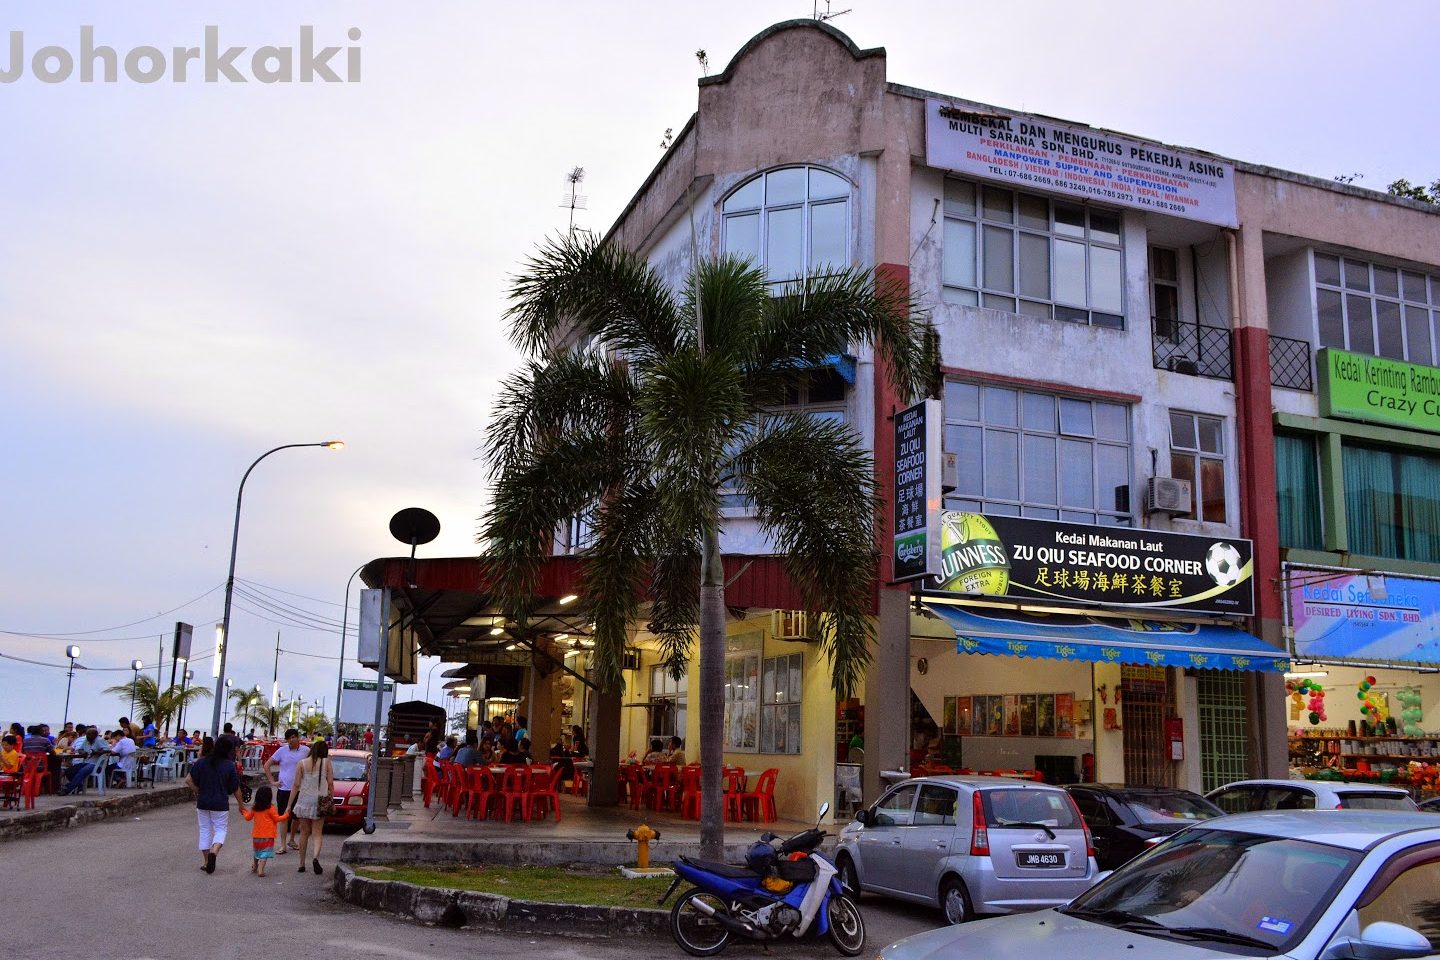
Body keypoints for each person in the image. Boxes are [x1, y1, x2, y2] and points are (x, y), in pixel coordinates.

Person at [185, 735, 244, 874]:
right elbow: (236, 788)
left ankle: (206, 862)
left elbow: (188, 780)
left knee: (205, 830)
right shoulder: (230, 765)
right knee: (220, 829)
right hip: (220, 803)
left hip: (203, 801)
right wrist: (241, 805)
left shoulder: (202, 761)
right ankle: (214, 851)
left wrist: (199, 791)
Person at [285, 739, 333, 876]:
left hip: (304, 801)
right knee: (317, 833)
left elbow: (295, 785)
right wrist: (331, 799)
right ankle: (315, 857)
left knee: (304, 833)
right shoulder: (327, 762)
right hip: (320, 801)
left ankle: (301, 863)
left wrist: (289, 805)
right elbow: (330, 783)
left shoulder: (301, 763)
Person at [263, 729, 309, 855]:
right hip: (284, 789)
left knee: (297, 817)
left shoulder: (305, 750)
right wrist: (273, 781)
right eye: (289, 738)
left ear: (298, 738)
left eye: (294, 737)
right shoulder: (282, 751)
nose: (292, 740)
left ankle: (292, 839)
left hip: (300, 789)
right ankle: (283, 845)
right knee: (283, 817)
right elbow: (267, 765)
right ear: (287, 740)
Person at [239, 785, 288, 877]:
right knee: (264, 853)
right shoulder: (270, 808)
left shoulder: (255, 808)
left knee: (257, 851)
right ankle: (261, 870)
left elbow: (247, 818)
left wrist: (244, 811)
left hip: (257, 835)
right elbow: (277, 819)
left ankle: (255, 866)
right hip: (268, 836)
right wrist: (286, 815)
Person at [58, 726, 109, 795]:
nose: (87, 736)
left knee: (82, 771)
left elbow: (107, 750)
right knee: (69, 771)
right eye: (87, 735)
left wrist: (96, 752)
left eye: (89, 735)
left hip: (96, 764)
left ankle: (67, 789)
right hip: (87, 761)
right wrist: (83, 752)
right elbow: (80, 749)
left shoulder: (100, 741)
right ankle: (79, 786)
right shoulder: (87, 740)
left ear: (95, 735)